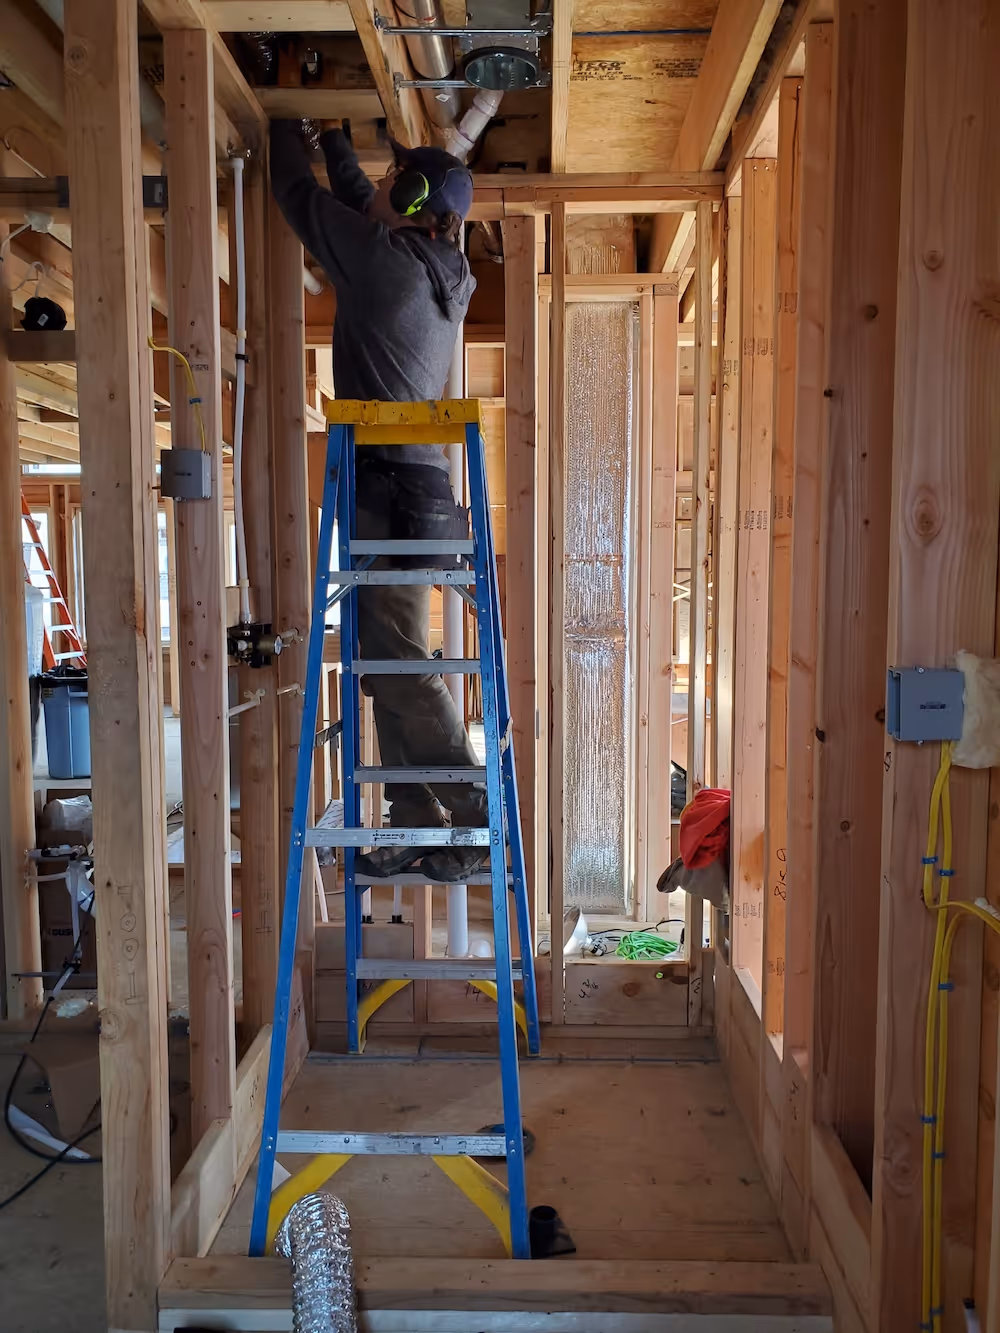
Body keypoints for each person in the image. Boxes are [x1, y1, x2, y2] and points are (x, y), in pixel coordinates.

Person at [270, 118, 488, 883]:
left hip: (388, 489)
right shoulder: (438, 268)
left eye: (395, 186)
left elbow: (294, 195)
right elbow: (366, 206)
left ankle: (473, 811)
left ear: (412, 197)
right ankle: (418, 816)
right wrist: (334, 144)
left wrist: (283, 131)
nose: (382, 195)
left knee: (392, 664)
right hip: (415, 490)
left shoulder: (382, 259)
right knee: (382, 659)